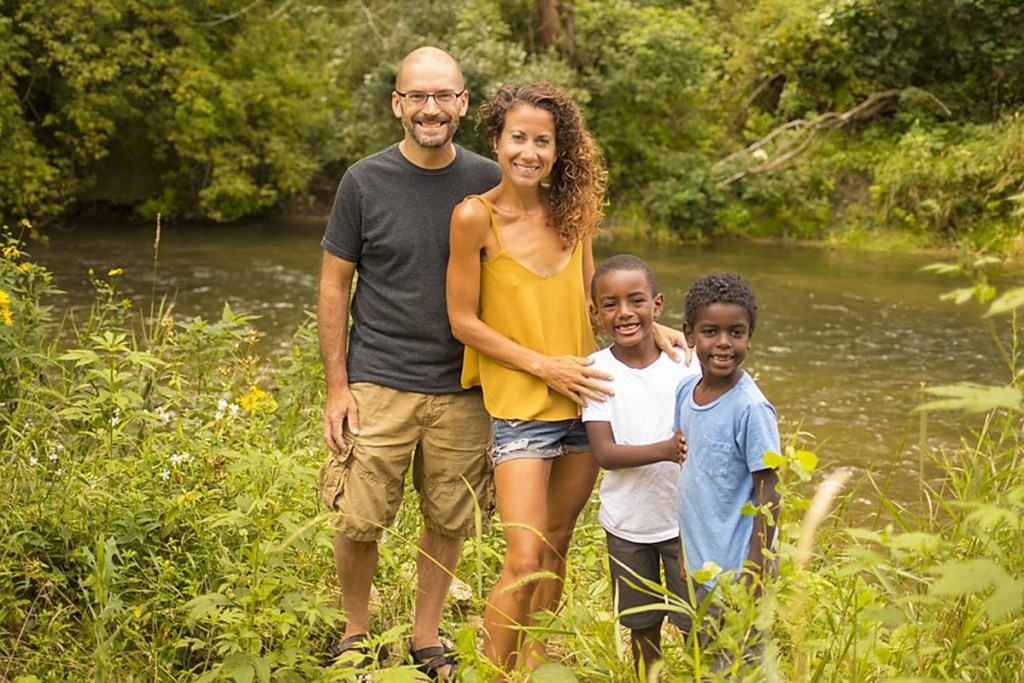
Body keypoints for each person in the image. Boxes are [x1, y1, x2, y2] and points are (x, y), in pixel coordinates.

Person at [446, 82, 688, 673]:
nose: (529, 151)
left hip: (586, 403)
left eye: (543, 141)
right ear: (498, 142)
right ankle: (493, 673)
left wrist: (653, 330)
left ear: (559, 149)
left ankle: (534, 663)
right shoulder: (474, 216)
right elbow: (461, 321)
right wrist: (542, 364)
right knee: (524, 553)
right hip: (523, 408)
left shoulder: (570, 214)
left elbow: (591, 303)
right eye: (518, 138)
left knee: (556, 543)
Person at [316, 46, 501, 680]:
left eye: (443, 96)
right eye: (417, 96)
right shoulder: (362, 181)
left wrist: (643, 321)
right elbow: (335, 283)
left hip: (465, 386)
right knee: (359, 516)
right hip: (378, 379)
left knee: (450, 515)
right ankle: (356, 633)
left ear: (463, 103)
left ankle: (427, 638)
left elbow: (544, 263)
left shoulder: (489, 180)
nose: (430, 108)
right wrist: (337, 386)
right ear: (398, 104)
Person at [581, 254, 700, 679]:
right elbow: (605, 454)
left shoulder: (686, 363)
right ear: (594, 313)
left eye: (636, 301)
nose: (625, 313)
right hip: (627, 524)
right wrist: (667, 449)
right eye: (609, 304)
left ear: (658, 304)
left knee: (697, 621)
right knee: (641, 622)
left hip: (685, 523)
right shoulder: (596, 371)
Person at [674, 272, 781, 660]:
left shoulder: (751, 408)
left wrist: (755, 571)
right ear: (689, 335)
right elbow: (691, 473)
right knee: (702, 653)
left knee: (738, 660)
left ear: (749, 336)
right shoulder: (686, 392)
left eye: (736, 332)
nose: (723, 343)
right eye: (710, 331)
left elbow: (769, 493)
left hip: (738, 569)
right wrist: (685, 551)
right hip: (701, 559)